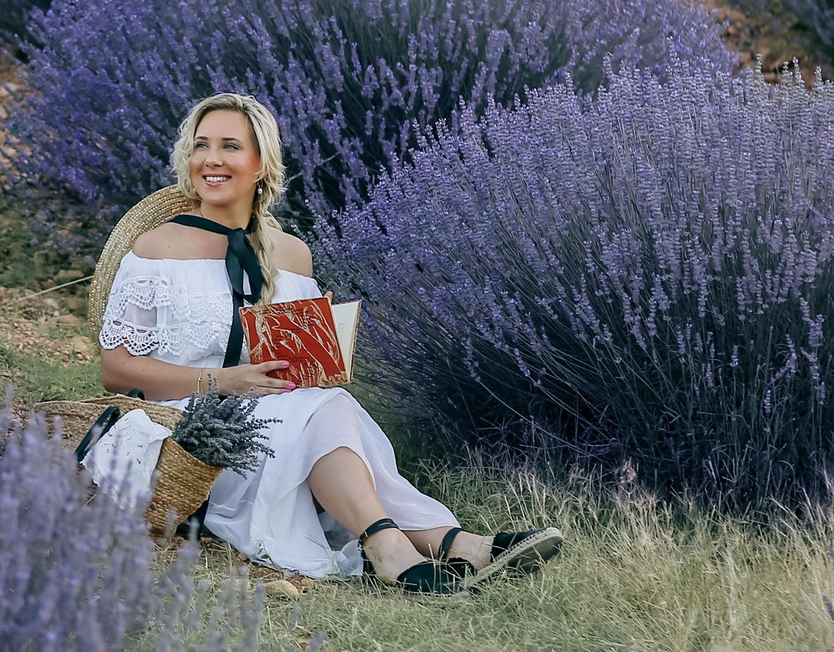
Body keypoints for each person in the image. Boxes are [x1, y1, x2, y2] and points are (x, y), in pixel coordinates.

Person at [87, 92, 563, 595]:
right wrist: (224, 381)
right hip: (187, 435)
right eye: (201, 145)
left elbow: (295, 372)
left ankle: (433, 545)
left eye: (230, 146)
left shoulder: (292, 256)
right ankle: (433, 545)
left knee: (328, 403)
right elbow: (118, 371)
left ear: (261, 164)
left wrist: (319, 346)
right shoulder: (158, 248)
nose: (211, 159)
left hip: (278, 417)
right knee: (325, 412)